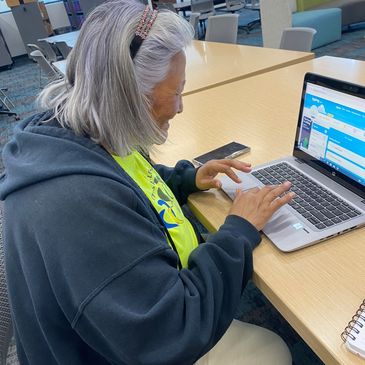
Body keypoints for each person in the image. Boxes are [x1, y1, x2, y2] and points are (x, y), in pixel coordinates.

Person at [0, 1, 294, 364]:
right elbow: (174, 331)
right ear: (130, 97)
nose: (180, 107)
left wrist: (187, 180)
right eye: (176, 91)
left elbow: (132, 183)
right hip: (139, 344)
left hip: (123, 327)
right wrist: (238, 230)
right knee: (273, 351)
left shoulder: (88, 135)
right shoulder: (78, 204)